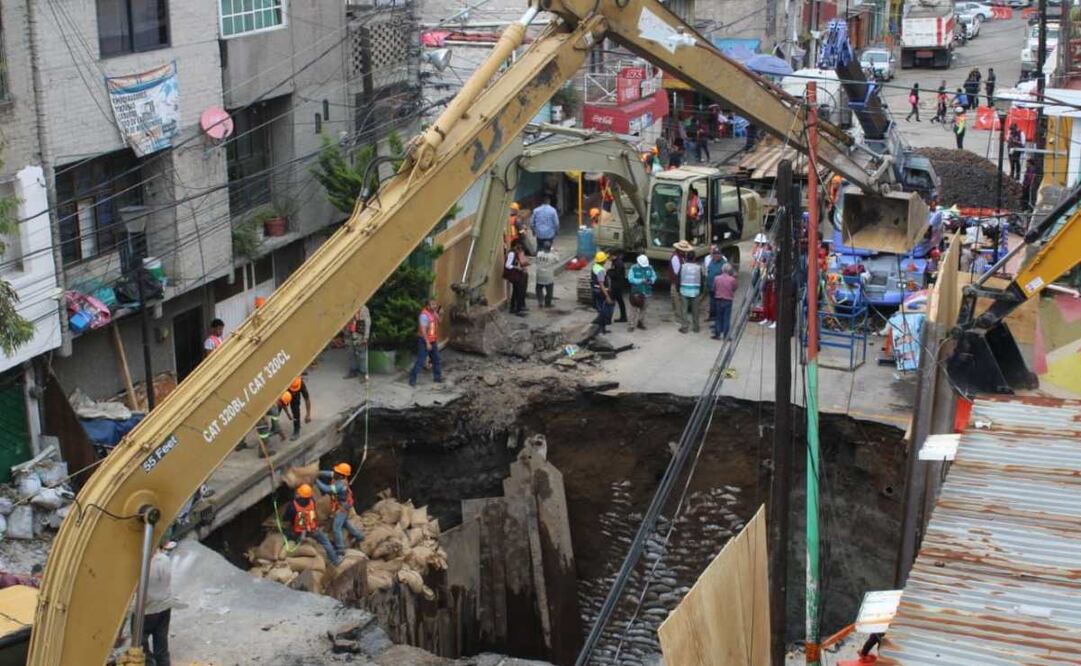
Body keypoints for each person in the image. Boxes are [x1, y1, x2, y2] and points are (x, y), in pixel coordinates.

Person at [282, 484, 340, 565]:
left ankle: (289, 556)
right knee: (326, 542)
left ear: (300, 495)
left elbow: (286, 518)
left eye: (298, 493)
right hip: (313, 528)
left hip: (298, 532)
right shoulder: (312, 501)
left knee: (287, 535)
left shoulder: (293, 506)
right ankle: (335, 561)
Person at [315, 462, 365, 553]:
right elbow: (327, 473)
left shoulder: (341, 485)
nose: (334, 472)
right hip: (341, 505)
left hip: (343, 507)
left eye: (337, 472)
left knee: (336, 528)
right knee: (345, 524)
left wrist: (316, 480)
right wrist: (316, 473)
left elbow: (327, 489)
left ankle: (340, 549)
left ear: (342, 475)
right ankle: (359, 536)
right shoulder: (338, 476)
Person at [141, 539, 176, 666]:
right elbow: (166, 582)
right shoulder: (164, 560)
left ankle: (149, 662)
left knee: (141, 644)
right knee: (161, 643)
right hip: (164, 607)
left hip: (145, 609)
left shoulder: (140, 563)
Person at [409, 298, 443, 386]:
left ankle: (437, 378)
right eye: (432, 304)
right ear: (428, 306)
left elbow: (439, 322)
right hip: (424, 341)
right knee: (421, 360)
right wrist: (427, 343)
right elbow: (423, 330)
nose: (435, 306)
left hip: (433, 340)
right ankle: (412, 380)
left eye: (435, 304)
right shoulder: (424, 316)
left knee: (436, 359)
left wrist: (441, 314)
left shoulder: (434, 313)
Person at [626, 254, 657, 331]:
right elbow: (630, 279)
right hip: (636, 293)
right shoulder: (633, 268)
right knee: (633, 309)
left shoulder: (650, 268)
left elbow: (654, 276)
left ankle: (641, 322)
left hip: (647, 292)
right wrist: (641, 281)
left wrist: (651, 280)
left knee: (644, 309)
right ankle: (631, 325)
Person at [677, 249, 704, 334]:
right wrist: (701, 290)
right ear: (694, 258)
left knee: (684, 310)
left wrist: (678, 289)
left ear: (686, 257)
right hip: (695, 291)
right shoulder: (698, 268)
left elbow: (678, 279)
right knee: (695, 310)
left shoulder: (682, 266)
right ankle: (696, 327)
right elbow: (702, 280)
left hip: (684, 290)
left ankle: (684, 327)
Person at [711, 264, 738, 341]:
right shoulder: (732, 279)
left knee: (718, 317)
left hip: (719, 299)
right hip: (728, 300)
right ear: (730, 271)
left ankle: (717, 334)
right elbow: (735, 287)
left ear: (722, 270)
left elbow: (713, 288)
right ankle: (726, 335)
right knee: (727, 318)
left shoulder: (716, 278)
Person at [669, 240, 692, 330]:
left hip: (680, 282)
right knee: (677, 302)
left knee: (680, 302)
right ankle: (679, 319)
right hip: (677, 283)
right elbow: (677, 272)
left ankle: (682, 318)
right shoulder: (676, 258)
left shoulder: (681, 256)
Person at [344, 304, 370, 380]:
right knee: (350, 353)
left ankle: (363, 373)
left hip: (359, 335)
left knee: (362, 355)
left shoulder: (364, 309)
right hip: (349, 334)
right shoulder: (349, 307)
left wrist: (366, 337)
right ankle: (353, 370)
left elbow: (367, 323)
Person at [590, 251, 614, 334]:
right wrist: (607, 295)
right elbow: (601, 284)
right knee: (604, 311)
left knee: (601, 310)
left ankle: (600, 328)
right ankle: (598, 327)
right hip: (601, 292)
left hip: (595, 291)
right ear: (603, 261)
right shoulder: (600, 270)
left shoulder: (595, 267)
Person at [504, 238, 529, 316]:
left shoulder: (517, 252)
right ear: (516, 246)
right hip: (514, 274)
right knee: (518, 291)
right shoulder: (512, 253)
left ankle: (514, 308)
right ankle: (517, 309)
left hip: (517, 274)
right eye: (519, 248)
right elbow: (507, 265)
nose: (520, 249)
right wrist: (516, 267)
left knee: (516, 291)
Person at [285, 377, 311, 441]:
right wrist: (287, 413)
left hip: (295, 398)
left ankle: (296, 430)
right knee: (277, 409)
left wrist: (308, 414)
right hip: (286, 394)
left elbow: (307, 399)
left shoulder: (301, 383)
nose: (294, 391)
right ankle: (275, 427)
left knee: (296, 411)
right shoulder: (285, 383)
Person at [704, 246, 726, 322]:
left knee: (718, 304)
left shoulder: (724, 264)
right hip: (711, 287)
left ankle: (718, 320)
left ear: (721, 255)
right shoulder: (711, 261)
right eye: (714, 254)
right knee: (712, 303)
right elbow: (708, 271)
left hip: (719, 289)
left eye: (717, 254)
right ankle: (712, 316)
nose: (716, 255)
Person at [609, 253, 628, 323]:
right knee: (620, 301)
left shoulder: (618, 263)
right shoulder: (617, 262)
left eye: (609, 256)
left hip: (617, 285)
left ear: (613, 256)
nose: (609, 258)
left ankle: (608, 318)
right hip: (618, 284)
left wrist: (608, 272)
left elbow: (616, 274)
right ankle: (623, 317)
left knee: (611, 301)